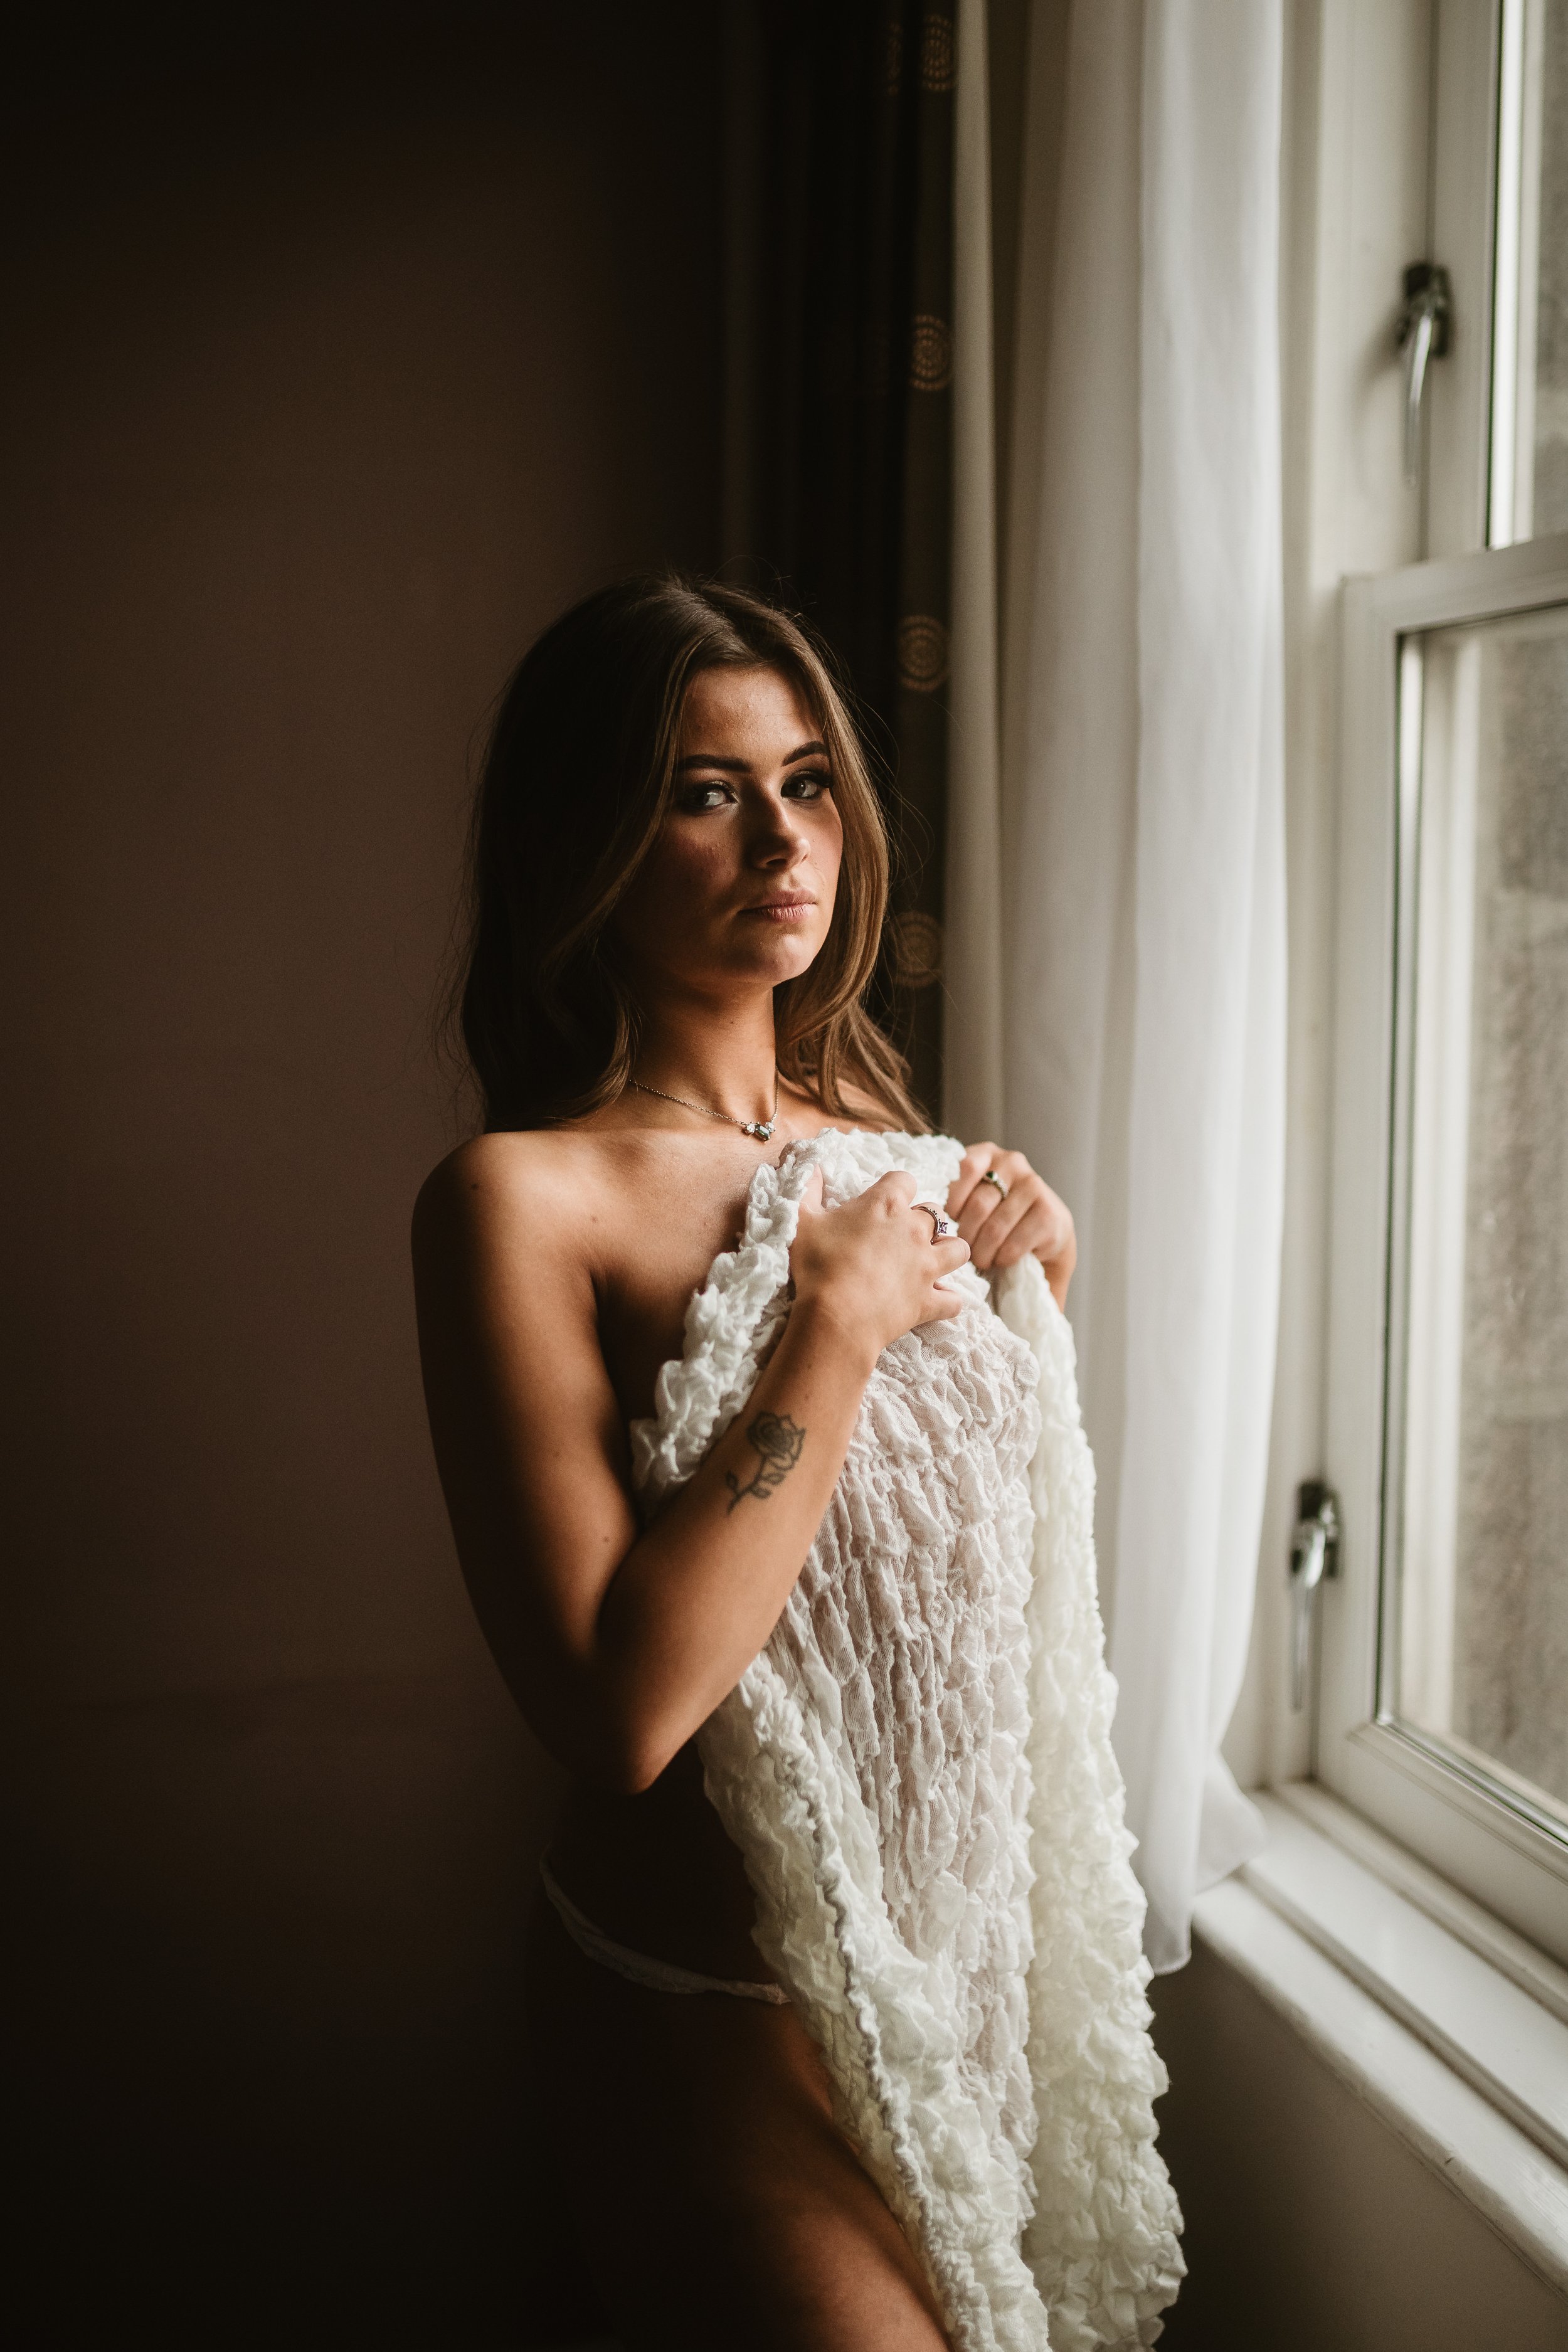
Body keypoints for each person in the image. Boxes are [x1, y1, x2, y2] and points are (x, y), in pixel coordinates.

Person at [411, 578, 1083, 2352]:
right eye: (706, 791)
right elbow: (622, 1710)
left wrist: (1033, 1297)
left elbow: (950, 1595)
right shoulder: (521, 1202)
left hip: (938, 2009)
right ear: (592, 837)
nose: (780, 837)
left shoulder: (904, 1161)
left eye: (804, 782)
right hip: (698, 2021)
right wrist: (833, 1333)